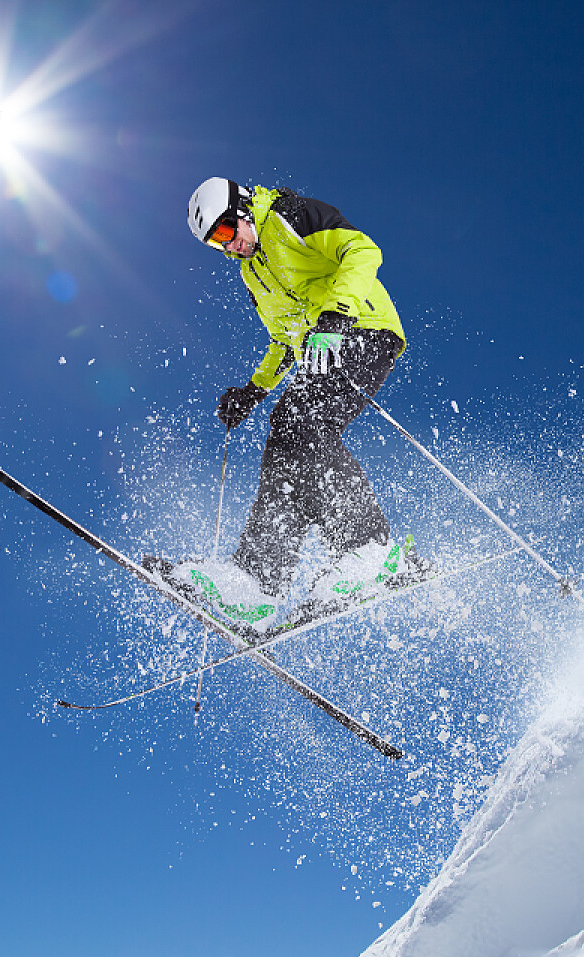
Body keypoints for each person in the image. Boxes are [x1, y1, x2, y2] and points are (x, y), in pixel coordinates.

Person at [151, 178, 425, 636]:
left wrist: (336, 313)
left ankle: (373, 551)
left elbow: (362, 250)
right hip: (321, 346)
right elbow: (284, 338)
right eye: (217, 244)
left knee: (303, 419)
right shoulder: (251, 270)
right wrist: (254, 390)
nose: (230, 247)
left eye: (225, 232)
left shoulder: (289, 217)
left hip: (364, 329)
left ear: (241, 208)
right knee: (287, 434)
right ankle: (257, 580)